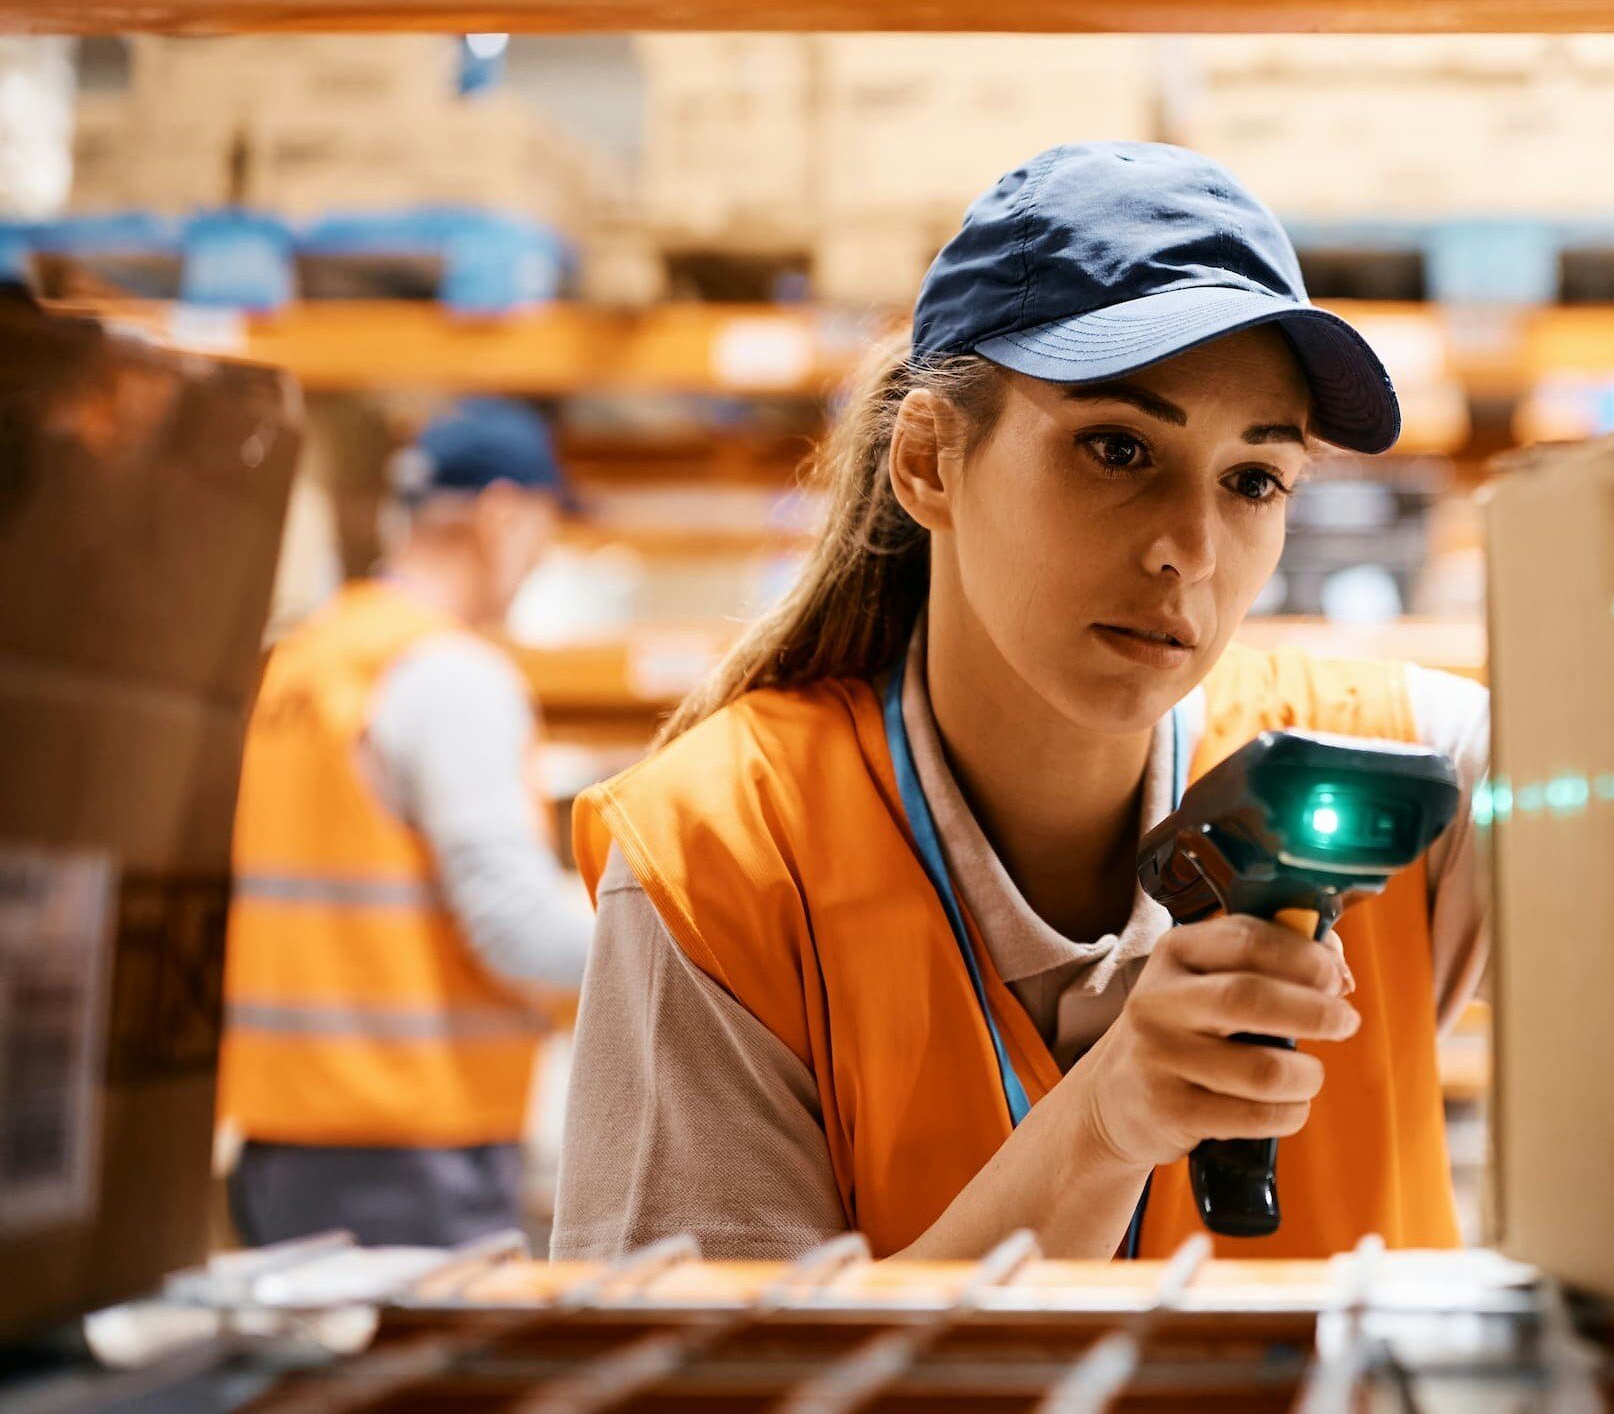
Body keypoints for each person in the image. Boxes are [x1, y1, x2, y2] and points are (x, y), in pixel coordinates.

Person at [552, 142, 1489, 1263]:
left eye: (1254, 479)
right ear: (930, 462)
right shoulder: (723, 858)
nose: (1191, 550)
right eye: (1116, 447)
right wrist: (1101, 1126)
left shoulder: (1412, 771)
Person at [221, 398, 593, 1247]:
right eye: (545, 526)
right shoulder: (449, 673)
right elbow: (515, 928)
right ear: (503, 514)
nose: (541, 559)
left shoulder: (306, 662)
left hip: (283, 1145)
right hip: (409, 1153)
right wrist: (704, 958)